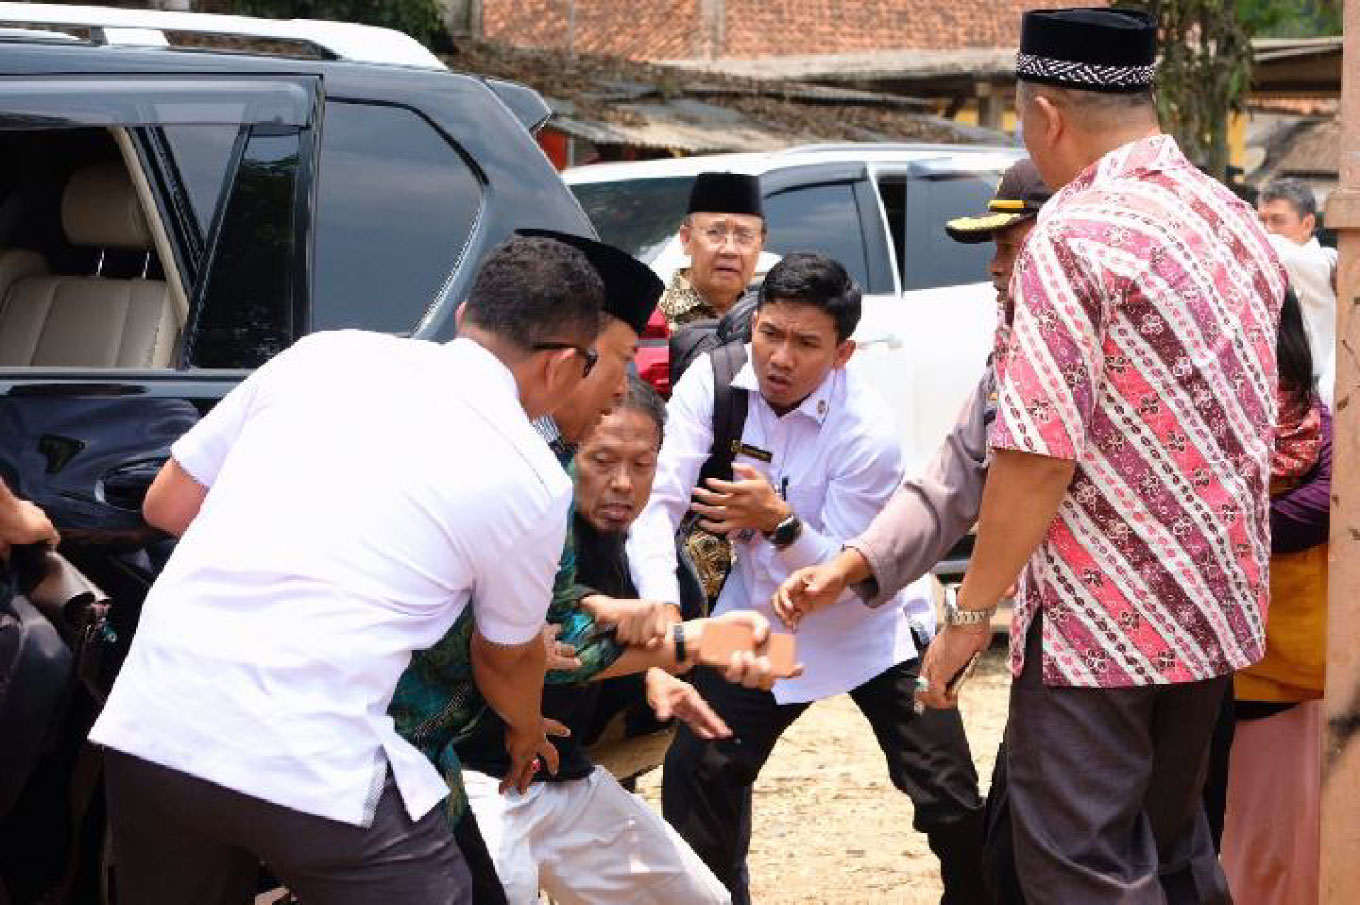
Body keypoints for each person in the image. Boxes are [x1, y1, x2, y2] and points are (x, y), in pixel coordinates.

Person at [876, 9, 1283, 903]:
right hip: (1211, 612)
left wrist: (969, 613)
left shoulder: (1072, 233)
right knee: (1174, 849)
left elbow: (1036, 457)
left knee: (1079, 867)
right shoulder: (1235, 221)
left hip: (1100, 627)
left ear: (1047, 116)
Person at [87, 234, 608, 905]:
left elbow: (167, 502)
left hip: (153, 722)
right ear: (565, 363)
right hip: (307, 754)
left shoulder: (324, 354)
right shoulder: (530, 476)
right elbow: (504, 658)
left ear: (464, 316)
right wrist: (528, 727)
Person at [629, 252, 987, 905]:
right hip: (764, 623)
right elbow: (656, 506)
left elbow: (851, 572)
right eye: (770, 333)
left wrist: (780, 522)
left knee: (950, 800)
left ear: (843, 352)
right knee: (702, 767)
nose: (780, 357)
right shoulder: (711, 386)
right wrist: (662, 617)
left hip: (873, 627)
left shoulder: (868, 430)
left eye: (805, 343)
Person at [774, 158, 1052, 905]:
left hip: (1110, 653)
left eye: (1009, 248)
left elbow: (1014, 487)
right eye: (773, 334)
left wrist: (963, 618)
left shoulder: (868, 422)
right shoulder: (1011, 356)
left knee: (1045, 839)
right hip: (820, 614)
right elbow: (950, 478)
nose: (994, 271)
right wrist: (848, 566)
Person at [452, 379, 741, 905]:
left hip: (565, 776)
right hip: (477, 782)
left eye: (642, 464)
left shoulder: (642, 547)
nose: (623, 484)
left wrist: (652, 673)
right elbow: (553, 654)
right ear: (567, 449)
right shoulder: (529, 529)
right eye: (603, 460)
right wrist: (685, 646)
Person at [1219, 289, 1331, 905]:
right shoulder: (1189, 420)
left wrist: (1221, 528)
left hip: (1284, 677)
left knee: (1280, 855)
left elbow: (1323, 508)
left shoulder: (1319, 421)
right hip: (1202, 673)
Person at [1258, 178, 1337, 407]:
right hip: (1273, 393)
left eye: (1278, 220)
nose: (1267, 229)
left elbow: (1278, 250)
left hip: (1319, 396)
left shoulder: (1323, 263)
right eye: (1261, 220)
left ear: (1307, 223)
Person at [659, 172, 766, 331]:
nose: (730, 250)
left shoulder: (766, 321)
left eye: (744, 235)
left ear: (761, 244)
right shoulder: (651, 317)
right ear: (686, 239)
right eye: (715, 232)